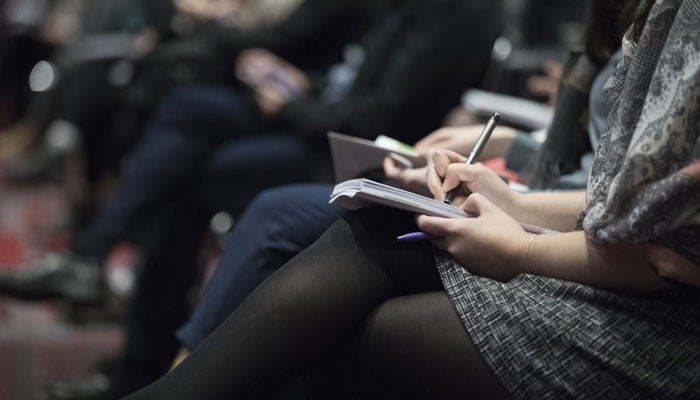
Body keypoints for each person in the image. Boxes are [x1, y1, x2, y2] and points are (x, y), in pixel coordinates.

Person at [122, 0, 700, 398]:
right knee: (356, 226)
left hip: (664, 328)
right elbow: (624, 206)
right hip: (606, 249)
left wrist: (521, 244)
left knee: (345, 326)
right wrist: (515, 204)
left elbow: (666, 252)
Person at [173, 0, 626, 354]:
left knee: (305, 228)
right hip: (545, 197)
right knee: (201, 143)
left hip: (563, 225)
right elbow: (584, 160)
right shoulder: (617, 25)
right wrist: (509, 146)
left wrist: (514, 205)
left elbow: (625, 211)